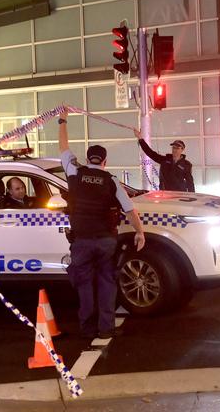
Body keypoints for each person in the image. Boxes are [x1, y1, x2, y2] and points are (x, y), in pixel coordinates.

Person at [59, 108, 145, 339]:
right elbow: (130, 210)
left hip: (81, 242)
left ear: (88, 159)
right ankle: (106, 329)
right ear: (105, 161)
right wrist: (140, 232)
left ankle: (87, 328)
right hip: (106, 241)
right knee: (107, 283)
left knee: (84, 285)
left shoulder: (74, 172)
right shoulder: (111, 180)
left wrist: (63, 120)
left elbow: (64, 148)